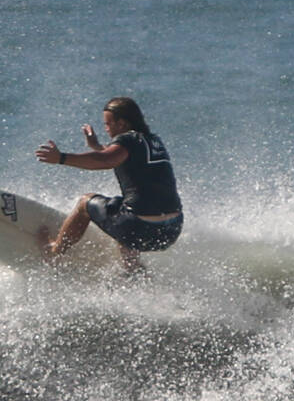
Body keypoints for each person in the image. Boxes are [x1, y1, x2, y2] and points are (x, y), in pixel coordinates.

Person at [35, 97, 183, 272]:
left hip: (140, 229)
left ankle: (54, 252)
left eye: (107, 124)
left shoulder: (127, 140)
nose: (106, 128)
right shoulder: (153, 141)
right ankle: (133, 268)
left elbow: (106, 160)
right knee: (122, 205)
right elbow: (120, 155)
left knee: (85, 202)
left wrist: (61, 158)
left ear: (121, 123)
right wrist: (97, 146)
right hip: (170, 231)